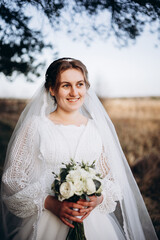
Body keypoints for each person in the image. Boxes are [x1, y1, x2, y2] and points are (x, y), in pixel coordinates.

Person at [1, 58, 158, 240]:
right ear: (52, 89)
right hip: (47, 221)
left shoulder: (97, 129)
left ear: (86, 87)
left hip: (94, 222)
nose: (74, 92)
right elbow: (12, 180)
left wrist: (98, 198)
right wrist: (49, 202)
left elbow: (113, 178)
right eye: (66, 85)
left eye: (80, 84)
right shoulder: (35, 126)